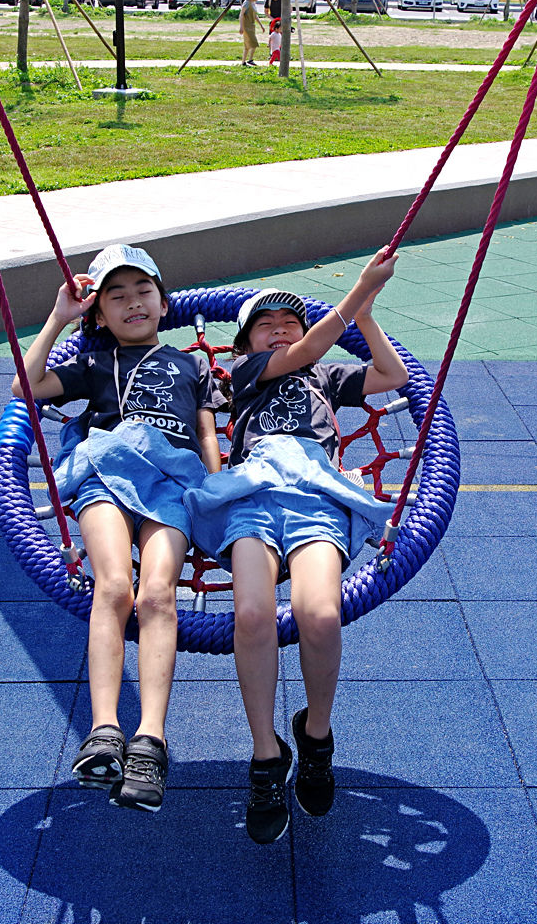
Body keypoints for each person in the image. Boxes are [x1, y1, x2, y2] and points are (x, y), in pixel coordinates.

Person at [185, 251, 408, 844]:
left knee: (319, 613)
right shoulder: (249, 373)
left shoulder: (326, 380)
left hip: (314, 491)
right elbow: (305, 350)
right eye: (267, 323)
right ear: (246, 345)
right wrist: (358, 289)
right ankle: (265, 755)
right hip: (255, 490)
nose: (282, 327)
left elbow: (392, 378)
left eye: (291, 320)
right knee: (252, 616)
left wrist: (367, 313)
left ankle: (315, 735)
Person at [12, 245, 224, 811]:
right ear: (99, 314)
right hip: (106, 471)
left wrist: (216, 490)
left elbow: (206, 436)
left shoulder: (191, 363)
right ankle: (105, 730)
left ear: (162, 301)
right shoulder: (93, 362)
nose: (133, 303)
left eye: (142, 291)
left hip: (172, 485)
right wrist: (59, 318)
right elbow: (25, 390)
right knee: (113, 587)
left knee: (158, 595)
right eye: (117, 296)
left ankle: (150, 739)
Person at [239, 0, 262, 67]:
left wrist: (261, 25)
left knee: (248, 45)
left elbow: (255, 16)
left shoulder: (253, 3)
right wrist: (241, 26)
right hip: (247, 26)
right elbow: (241, 15)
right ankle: (249, 60)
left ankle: (244, 61)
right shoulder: (247, 3)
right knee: (253, 43)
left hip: (252, 26)